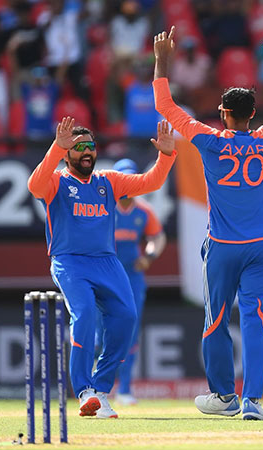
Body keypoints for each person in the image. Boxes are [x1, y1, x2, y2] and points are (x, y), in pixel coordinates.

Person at [152, 25, 263, 420]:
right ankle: (253, 400)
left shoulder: (210, 140)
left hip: (222, 247)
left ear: (223, 113)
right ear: (253, 113)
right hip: (261, 246)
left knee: (216, 320)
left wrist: (162, 60)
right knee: (255, 321)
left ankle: (223, 397)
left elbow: (165, 105)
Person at [27, 117, 177, 418]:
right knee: (84, 315)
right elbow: (34, 185)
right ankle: (84, 391)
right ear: (67, 154)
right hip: (70, 261)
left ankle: (100, 390)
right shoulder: (56, 181)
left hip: (107, 262)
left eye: (91, 146)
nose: (86, 152)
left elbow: (151, 182)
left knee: (127, 317)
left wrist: (166, 155)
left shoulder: (108, 181)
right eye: (79, 147)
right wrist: (57, 147)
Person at [94, 158, 167, 405]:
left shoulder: (144, 210)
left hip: (132, 276)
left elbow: (157, 237)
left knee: (130, 331)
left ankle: (124, 389)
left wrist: (149, 256)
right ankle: (94, 387)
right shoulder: (104, 207)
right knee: (99, 332)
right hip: (105, 274)